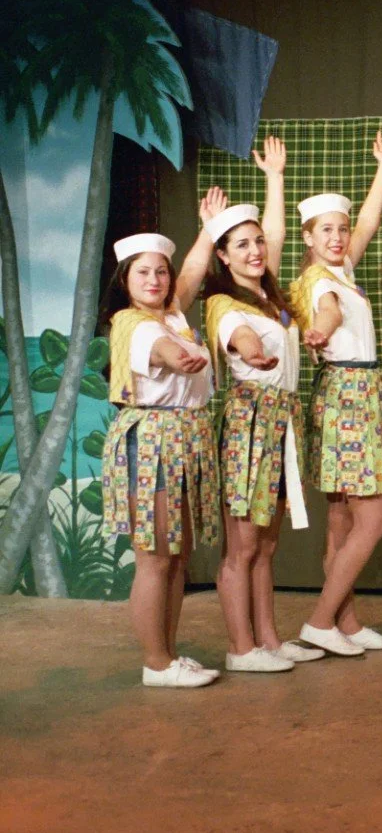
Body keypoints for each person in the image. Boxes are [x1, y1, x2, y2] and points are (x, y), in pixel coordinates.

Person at [285, 128, 382, 657]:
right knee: (373, 518)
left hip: (352, 392)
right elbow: (328, 309)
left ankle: (345, 623)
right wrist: (323, 329)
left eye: (341, 229)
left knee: (342, 519)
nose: (337, 237)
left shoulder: (343, 267)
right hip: (347, 394)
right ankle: (318, 621)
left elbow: (372, 224)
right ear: (307, 237)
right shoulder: (318, 281)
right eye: (326, 231)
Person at [203, 136, 318, 672]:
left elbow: (272, 232)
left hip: (282, 422)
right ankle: (240, 647)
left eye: (258, 243)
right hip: (250, 422)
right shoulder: (224, 304)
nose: (254, 251)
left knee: (267, 547)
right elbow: (238, 341)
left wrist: (275, 178)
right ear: (222, 257)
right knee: (242, 547)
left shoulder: (274, 301)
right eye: (240, 246)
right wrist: (252, 351)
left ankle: (269, 639)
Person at [100, 207, 219, 687]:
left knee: (177, 554)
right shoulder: (133, 324)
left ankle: (168, 655)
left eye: (160, 271)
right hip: (152, 440)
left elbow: (190, 273)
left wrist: (209, 231)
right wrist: (182, 358)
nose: (154, 279)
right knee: (155, 555)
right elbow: (164, 353)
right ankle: (156, 663)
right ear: (126, 280)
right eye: (143, 272)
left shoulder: (171, 315)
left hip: (185, 437)